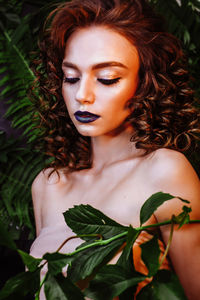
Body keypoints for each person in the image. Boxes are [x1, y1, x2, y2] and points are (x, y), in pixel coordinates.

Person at [30, 0, 200, 299]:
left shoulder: (165, 172)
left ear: (146, 82)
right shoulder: (49, 185)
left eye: (107, 78)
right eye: (71, 77)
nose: (82, 95)